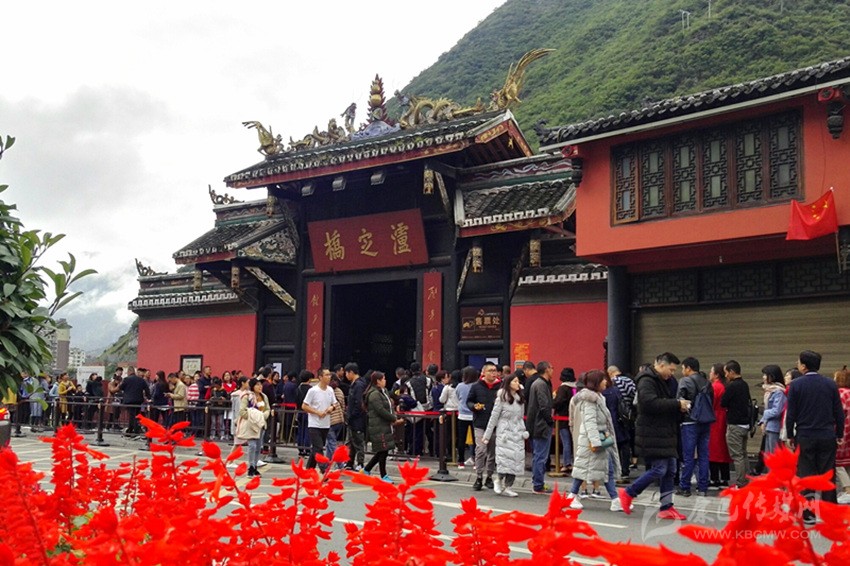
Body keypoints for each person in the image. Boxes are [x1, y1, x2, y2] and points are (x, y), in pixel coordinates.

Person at [619, 352, 690, 520]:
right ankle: (629, 492)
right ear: (661, 365)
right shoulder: (646, 380)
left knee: (670, 470)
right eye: (671, 370)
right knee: (660, 469)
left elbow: (667, 403)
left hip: (666, 432)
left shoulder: (667, 381)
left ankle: (666, 507)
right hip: (652, 433)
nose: (672, 373)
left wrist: (680, 408)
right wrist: (676, 404)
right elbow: (649, 403)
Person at [786, 350, 844, 525]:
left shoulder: (796, 385)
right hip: (827, 435)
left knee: (806, 474)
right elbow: (838, 412)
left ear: (804, 366)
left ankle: (808, 513)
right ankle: (830, 513)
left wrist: (790, 434)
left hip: (805, 435)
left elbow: (791, 413)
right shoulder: (830, 384)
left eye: (798, 362)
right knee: (828, 474)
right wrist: (839, 434)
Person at [569, 370, 622, 512]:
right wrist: (596, 442)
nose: (606, 382)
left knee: (599, 470)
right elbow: (590, 422)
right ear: (596, 382)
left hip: (597, 439)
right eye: (603, 379)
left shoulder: (599, 398)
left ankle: (615, 500)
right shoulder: (590, 401)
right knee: (585, 470)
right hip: (592, 442)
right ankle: (573, 495)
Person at [482, 373, 527, 497]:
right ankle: (498, 479)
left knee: (516, 460)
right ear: (508, 383)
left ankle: (509, 486)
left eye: (518, 381)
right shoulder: (501, 398)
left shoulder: (520, 399)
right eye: (515, 381)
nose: (517, 384)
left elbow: (521, 417)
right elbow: (494, 417)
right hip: (504, 433)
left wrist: (523, 431)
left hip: (517, 432)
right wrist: (487, 436)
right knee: (505, 460)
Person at [676, 357, 712, 497]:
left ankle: (685, 486)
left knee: (688, 455)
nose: (682, 371)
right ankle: (703, 487)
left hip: (689, 421)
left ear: (688, 368)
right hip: (705, 421)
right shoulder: (707, 382)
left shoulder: (685, 381)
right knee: (704, 455)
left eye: (683, 368)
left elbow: (680, 401)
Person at [364, 371, 404, 482]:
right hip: (378, 425)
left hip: (385, 425)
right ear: (378, 381)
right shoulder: (374, 394)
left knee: (383, 450)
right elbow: (380, 410)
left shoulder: (384, 391)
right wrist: (393, 418)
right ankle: (383, 475)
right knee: (383, 450)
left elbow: (389, 407)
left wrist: (393, 416)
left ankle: (367, 469)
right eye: (383, 379)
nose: (385, 381)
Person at [468, 362, 501, 491]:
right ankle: (479, 476)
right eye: (490, 371)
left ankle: (489, 476)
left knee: (492, 453)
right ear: (483, 373)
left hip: (495, 425)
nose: (493, 373)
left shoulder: (501, 387)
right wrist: (474, 406)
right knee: (481, 450)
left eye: (495, 370)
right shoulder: (476, 386)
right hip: (480, 423)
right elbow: (469, 401)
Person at [720, 360, 751, 488]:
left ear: (732, 372)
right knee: (743, 454)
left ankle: (740, 483)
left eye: (726, 372)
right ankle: (747, 479)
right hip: (745, 425)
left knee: (737, 456)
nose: (725, 375)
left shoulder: (732, 386)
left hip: (735, 425)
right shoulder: (744, 384)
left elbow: (723, 403)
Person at [527, 361, 555, 495]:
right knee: (540, 456)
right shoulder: (541, 384)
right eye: (551, 368)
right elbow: (543, 406)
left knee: (538, 455)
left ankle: (537, 482)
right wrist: (550, 421)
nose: (553, 370)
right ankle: (538, 484)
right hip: (540, 425)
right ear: (546, 369)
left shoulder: (539, 384)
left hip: (537, 424)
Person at [301, 367, 337, 470]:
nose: (329, 377)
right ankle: (323, 469)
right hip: (314, 424)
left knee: (316, 449)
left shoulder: (330, 390)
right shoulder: (313, 391)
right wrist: (317, 412)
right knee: (319, 448)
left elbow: (334, 403)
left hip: (325, 424)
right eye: (326, 375)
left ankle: (309, 469)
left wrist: (331, 408)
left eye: (329, 375)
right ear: (320, 377)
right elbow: (304, 406)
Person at [236, 378, 270, 477]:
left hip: (261, 424)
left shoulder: (264, 396)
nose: (260, 387)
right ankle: (250, 467)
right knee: (252, 445)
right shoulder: (247, 397)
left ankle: (255, 466)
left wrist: (263, 416)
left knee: (258, 446)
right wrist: (253, 416)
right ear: (252, 386)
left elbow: (267, 409)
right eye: (257, 384)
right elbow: (242, 411)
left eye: (261, 385)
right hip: (251, 424)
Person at [708, 363, 732, 489]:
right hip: (724, 418)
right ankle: (725, 478)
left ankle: (714, 478)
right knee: (723, 449)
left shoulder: (715, 387)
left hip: (715, 419)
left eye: (711, 372)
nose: (710, 374)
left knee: (713, 449)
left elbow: (711, 403)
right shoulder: (725, 386)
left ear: (716, 374)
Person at [758, 365, 786, 460]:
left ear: (772, 376)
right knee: (768, 456)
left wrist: (765, 415)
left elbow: (776, 410)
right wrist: (763, 421)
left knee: (774, 456)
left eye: (765, 375)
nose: (763, 377)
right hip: (769, 426)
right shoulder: (769, 390)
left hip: (774, 428)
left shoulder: (778, 391)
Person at [553, 367, 577, 474]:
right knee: (573, 441)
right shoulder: (575, 388)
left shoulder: (563, 388)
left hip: (562, 418)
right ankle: (573, 461)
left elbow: (558, 402)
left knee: (566, 441)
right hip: (573, 417)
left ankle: (567, 463)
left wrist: (553, 401)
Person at [455, 366, 478, 469]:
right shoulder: (477, 385)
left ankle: (461, 461)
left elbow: (457, 396)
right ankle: (476, 461)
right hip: (474, 414)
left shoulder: (460, 386)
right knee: (476, 439)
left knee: (461, 439)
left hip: (462, 415)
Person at [833, 367, 850, 505]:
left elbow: (837, 414)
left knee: (837, 463)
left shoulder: (840, 394)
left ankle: (848, 490)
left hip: (842, 431)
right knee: (847, 462)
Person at [119, 367, 150, 435]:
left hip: (129, 400)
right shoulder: (141, 380)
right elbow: (147, 389)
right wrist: (149, 398)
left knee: (131, 415)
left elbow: (120, 387)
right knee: (135, 414)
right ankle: (132, 429)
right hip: (138, 400)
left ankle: (133, 430)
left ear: (129, 372)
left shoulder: (126, 379)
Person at [325, 375, 347, 468]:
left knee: (332, 443)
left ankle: (341, 463)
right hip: (339, 419)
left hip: (330, 420)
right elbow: (343, 405)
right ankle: (326, 464)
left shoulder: (326, 391)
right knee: (329, 444)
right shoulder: (340, 391)